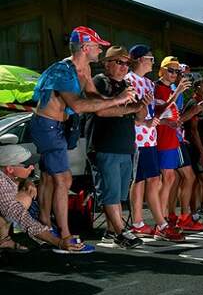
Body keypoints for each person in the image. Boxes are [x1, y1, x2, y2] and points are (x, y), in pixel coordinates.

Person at [31, 26, 134, 253]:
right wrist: (117, 100)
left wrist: (122, 104)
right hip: (46, 125)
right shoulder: (63, 71)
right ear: (85, 48)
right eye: (97, 46)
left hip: (59, 126)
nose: (100, 50)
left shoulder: (85, 67)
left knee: (49, 178)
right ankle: (64, 237)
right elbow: (78, 105)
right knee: (64, 180)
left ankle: (45, 225)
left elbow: (96, 102)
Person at [126, 45, 184, 242]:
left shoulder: (148, 83)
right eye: (150, 58)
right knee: (146, 180)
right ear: (140, 59)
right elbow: (132, 111)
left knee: (148, 179)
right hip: (137, 137)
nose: (152, 61)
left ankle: (142, 223)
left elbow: (155, 113)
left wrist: (152, 121)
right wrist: (145, 121)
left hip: (150, 137)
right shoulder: (129, 80)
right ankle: (158, 224)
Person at [90, 46, 146, 249]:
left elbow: (139, 118)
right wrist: (129, 105)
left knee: (120, 193)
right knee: (111, 192)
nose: (124, 67)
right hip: (106, 144)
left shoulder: (127, 84)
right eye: (119, 62)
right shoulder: (100, 82)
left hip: (125, 146)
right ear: (107, 63)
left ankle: (111, 231)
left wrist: (143, 102)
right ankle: (122, 232)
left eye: (127, 64)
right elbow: (101, 112)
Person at [0, 145, 85, 253]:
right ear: (10, 169)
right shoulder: (1, 184)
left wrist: (28, 181)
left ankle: (3, 240)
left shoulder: (5, 175)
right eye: (27, 165)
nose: (32, 167)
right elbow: (21, 218)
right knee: (16, 208)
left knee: (23, 197)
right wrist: (58, 242)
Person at [154, 56, 203, 231]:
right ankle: (165, 220)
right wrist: (179, 96)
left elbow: (173, 117)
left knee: (171, 178)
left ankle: (169, 218)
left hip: (172, 137)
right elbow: (158, 112)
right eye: (171, 70)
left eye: (177, 71)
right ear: (161, 70)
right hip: (165, 137)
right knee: (169, 178)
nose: (175, 74)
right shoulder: (160, 88)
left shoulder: (169, 88)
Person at [183, 77, 203, 226]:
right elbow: (193, 130)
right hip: (194, 147)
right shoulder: (194, 104)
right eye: (202, 88)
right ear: (195, 89)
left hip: (200, 145)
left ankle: (195, 214)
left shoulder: (201, 104)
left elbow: (202, 130)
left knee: (197, 182)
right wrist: (202, 151)